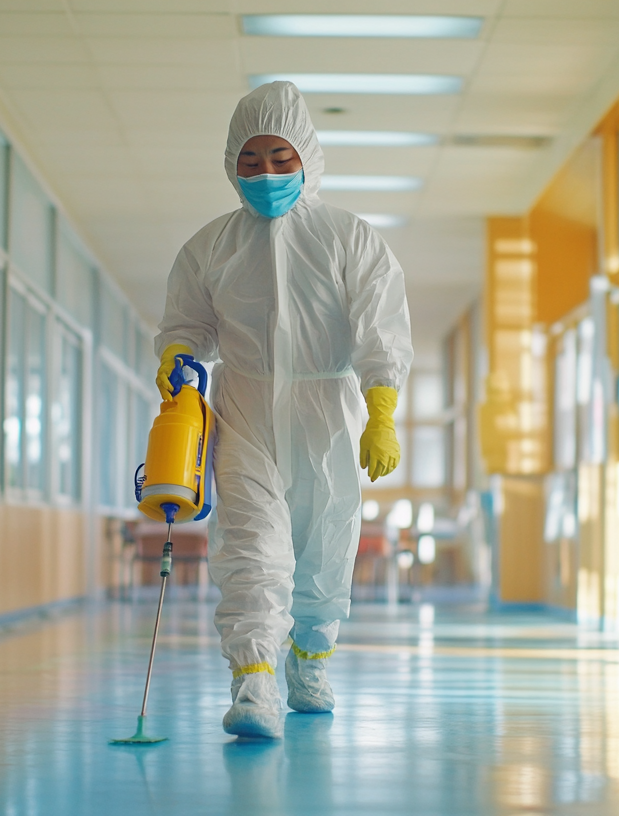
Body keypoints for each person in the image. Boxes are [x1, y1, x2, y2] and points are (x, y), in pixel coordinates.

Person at [154, 81, 413, 739]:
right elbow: (186, 324)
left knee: (326, 546)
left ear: (307, 158)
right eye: (250, 160)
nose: (265, 173)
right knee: (252, 545)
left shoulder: (349, 238)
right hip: (244, 409)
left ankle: (310, 660)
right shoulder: (210, 248)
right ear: (231, 164)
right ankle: (254, 683)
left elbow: (382, 330)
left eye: (280, 157)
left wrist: (381, 411)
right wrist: (178, 355)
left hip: (328, 409)